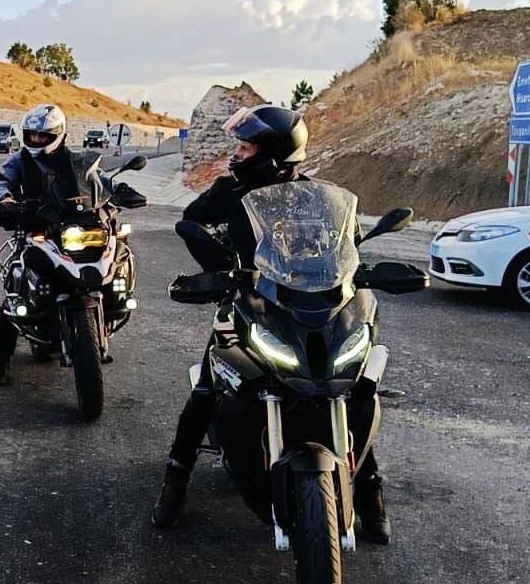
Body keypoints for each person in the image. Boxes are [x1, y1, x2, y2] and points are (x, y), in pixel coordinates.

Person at [151, 104, 392, 544]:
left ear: (275, 153)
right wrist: (220, 268)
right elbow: (191, 222)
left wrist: (356, 268)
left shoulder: (319, 194)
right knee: (208, 386)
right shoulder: (227, 191)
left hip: (308, 305)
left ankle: (372, 495)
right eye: (239, 146)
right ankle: (175, 479)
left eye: (246, 147)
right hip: (247, 300)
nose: (237, 155)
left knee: (352, 387)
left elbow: (346, 244)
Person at [0, 102, 109, 386]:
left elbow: (96, 180)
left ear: (58, 134)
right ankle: (0, 360)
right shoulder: (21, 161)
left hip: (68, 229)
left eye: (43, 136)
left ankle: (99, 323)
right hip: (35, 229)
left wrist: (114, 192)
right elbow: (2, 182)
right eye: (31, 135)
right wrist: (6, 200)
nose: (36, 141)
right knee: (16, 292)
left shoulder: (74, 160)